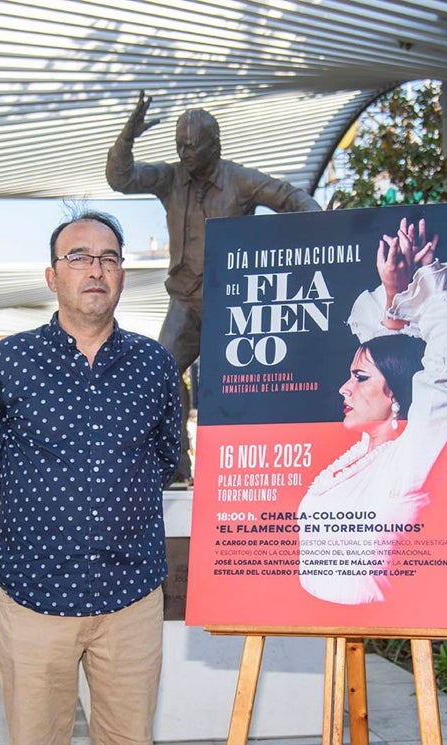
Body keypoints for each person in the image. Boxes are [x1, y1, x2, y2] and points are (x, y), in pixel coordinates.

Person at [0, 209, 181, 745]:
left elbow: (168, 457)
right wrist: (31, 531)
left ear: (121, 276)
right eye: (80, 257)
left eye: (109, 257)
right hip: (35, 600)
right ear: (52, 275)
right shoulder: (7, 362)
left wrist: (113, 511)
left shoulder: (153, 366)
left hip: (130, 600)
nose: (96, 269)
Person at [107, 91, 320, 482]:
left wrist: (321, 229)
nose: (185, 152)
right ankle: (174, 466)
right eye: (179, 145)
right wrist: (128, 137)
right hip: (186, 300)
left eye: (192, 146)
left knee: (238, 389)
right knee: (162, 373)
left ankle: (243, 470)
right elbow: (121, 179)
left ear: (214, 145)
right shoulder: (171, 179)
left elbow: (291, 197)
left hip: (232, 305)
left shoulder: (238, 180)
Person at [299, 218, 447, 604]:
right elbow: (390, 356)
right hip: (313, 621)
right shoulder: (361, 453)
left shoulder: (409, 457)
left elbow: (440, 364)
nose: (344, 388)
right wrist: (397, 294)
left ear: (396, 394)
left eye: (359, 378)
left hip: (372, 622)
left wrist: (426, 282)